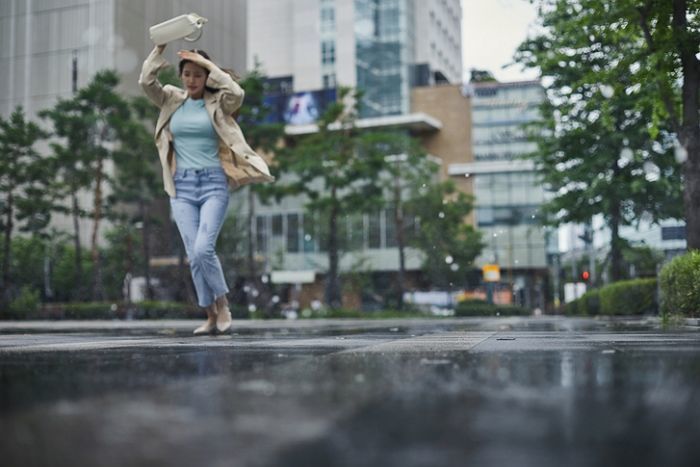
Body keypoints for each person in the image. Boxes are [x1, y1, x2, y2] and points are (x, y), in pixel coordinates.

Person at [138, 44, 274, 335]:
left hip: (213, 183)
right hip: (182, 187)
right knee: (194, 253)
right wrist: (159, 49)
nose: (191, 79)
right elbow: (146, 82)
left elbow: (238, 94)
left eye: (198, 74)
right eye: (187, 74)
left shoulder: (218, 102)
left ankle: (222, 304)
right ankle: (210, 315)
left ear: (207, 76)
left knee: (203, 249)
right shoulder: (171, 99)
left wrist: (207, 64)